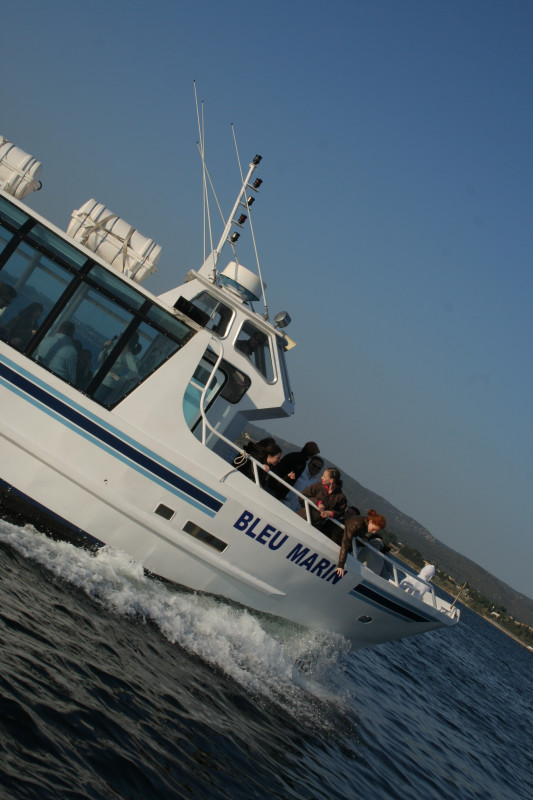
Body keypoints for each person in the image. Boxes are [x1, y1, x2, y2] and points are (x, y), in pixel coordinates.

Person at [334, 509, 387, 577]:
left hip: (339, 540)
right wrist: (341, 565)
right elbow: (345, 542)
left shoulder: (363, 524)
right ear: (371, 521)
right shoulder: (357, 523)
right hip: (334, 537)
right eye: (374, 529)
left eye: (376, 531)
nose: (374, 532)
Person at [95, 332, 141, 403]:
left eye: (122, 336)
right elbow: (100, 360)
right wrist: (105, 348)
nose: (119, 337)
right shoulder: (113, 349)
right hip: (96, 376)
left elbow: (135, 373)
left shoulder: (128, 356)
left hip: (105, 384)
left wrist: (121, 378)